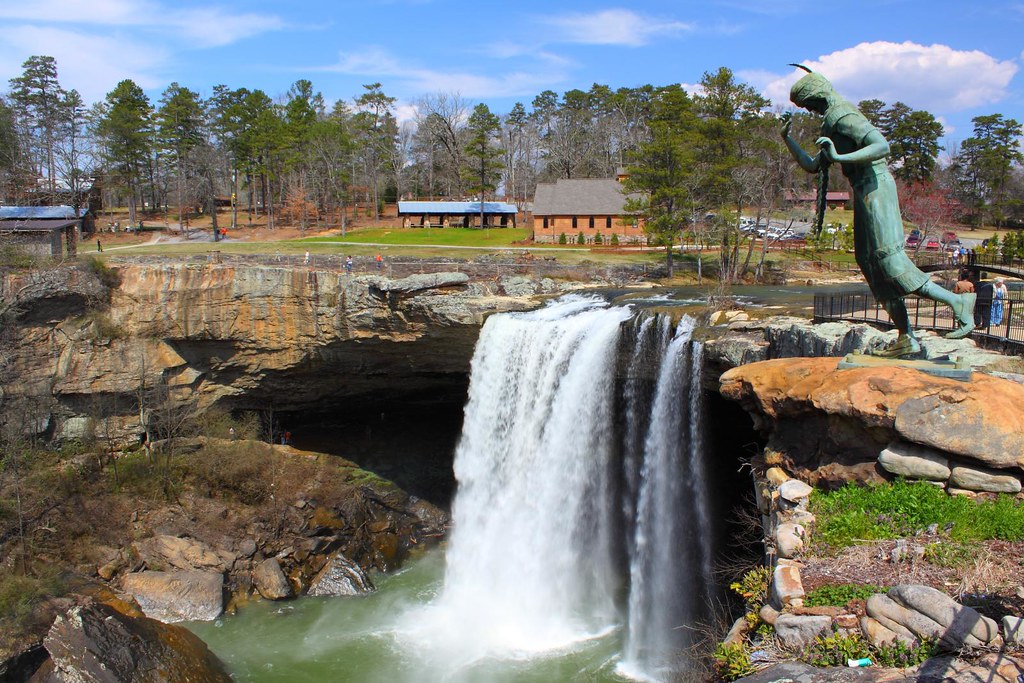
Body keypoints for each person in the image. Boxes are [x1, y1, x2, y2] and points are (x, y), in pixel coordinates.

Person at [782, 67, 975, 356]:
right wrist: (787, 138)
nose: (809, 110)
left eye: (809, 104)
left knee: (889, 262)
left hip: (876, 188)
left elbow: (880, 146)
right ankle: (906, 337)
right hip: (862, 192)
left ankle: (957, 302)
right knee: (870, 265)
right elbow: (813, 165)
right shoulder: (830, 121)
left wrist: (840, 156)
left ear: (818, 94)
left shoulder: (843, 114)